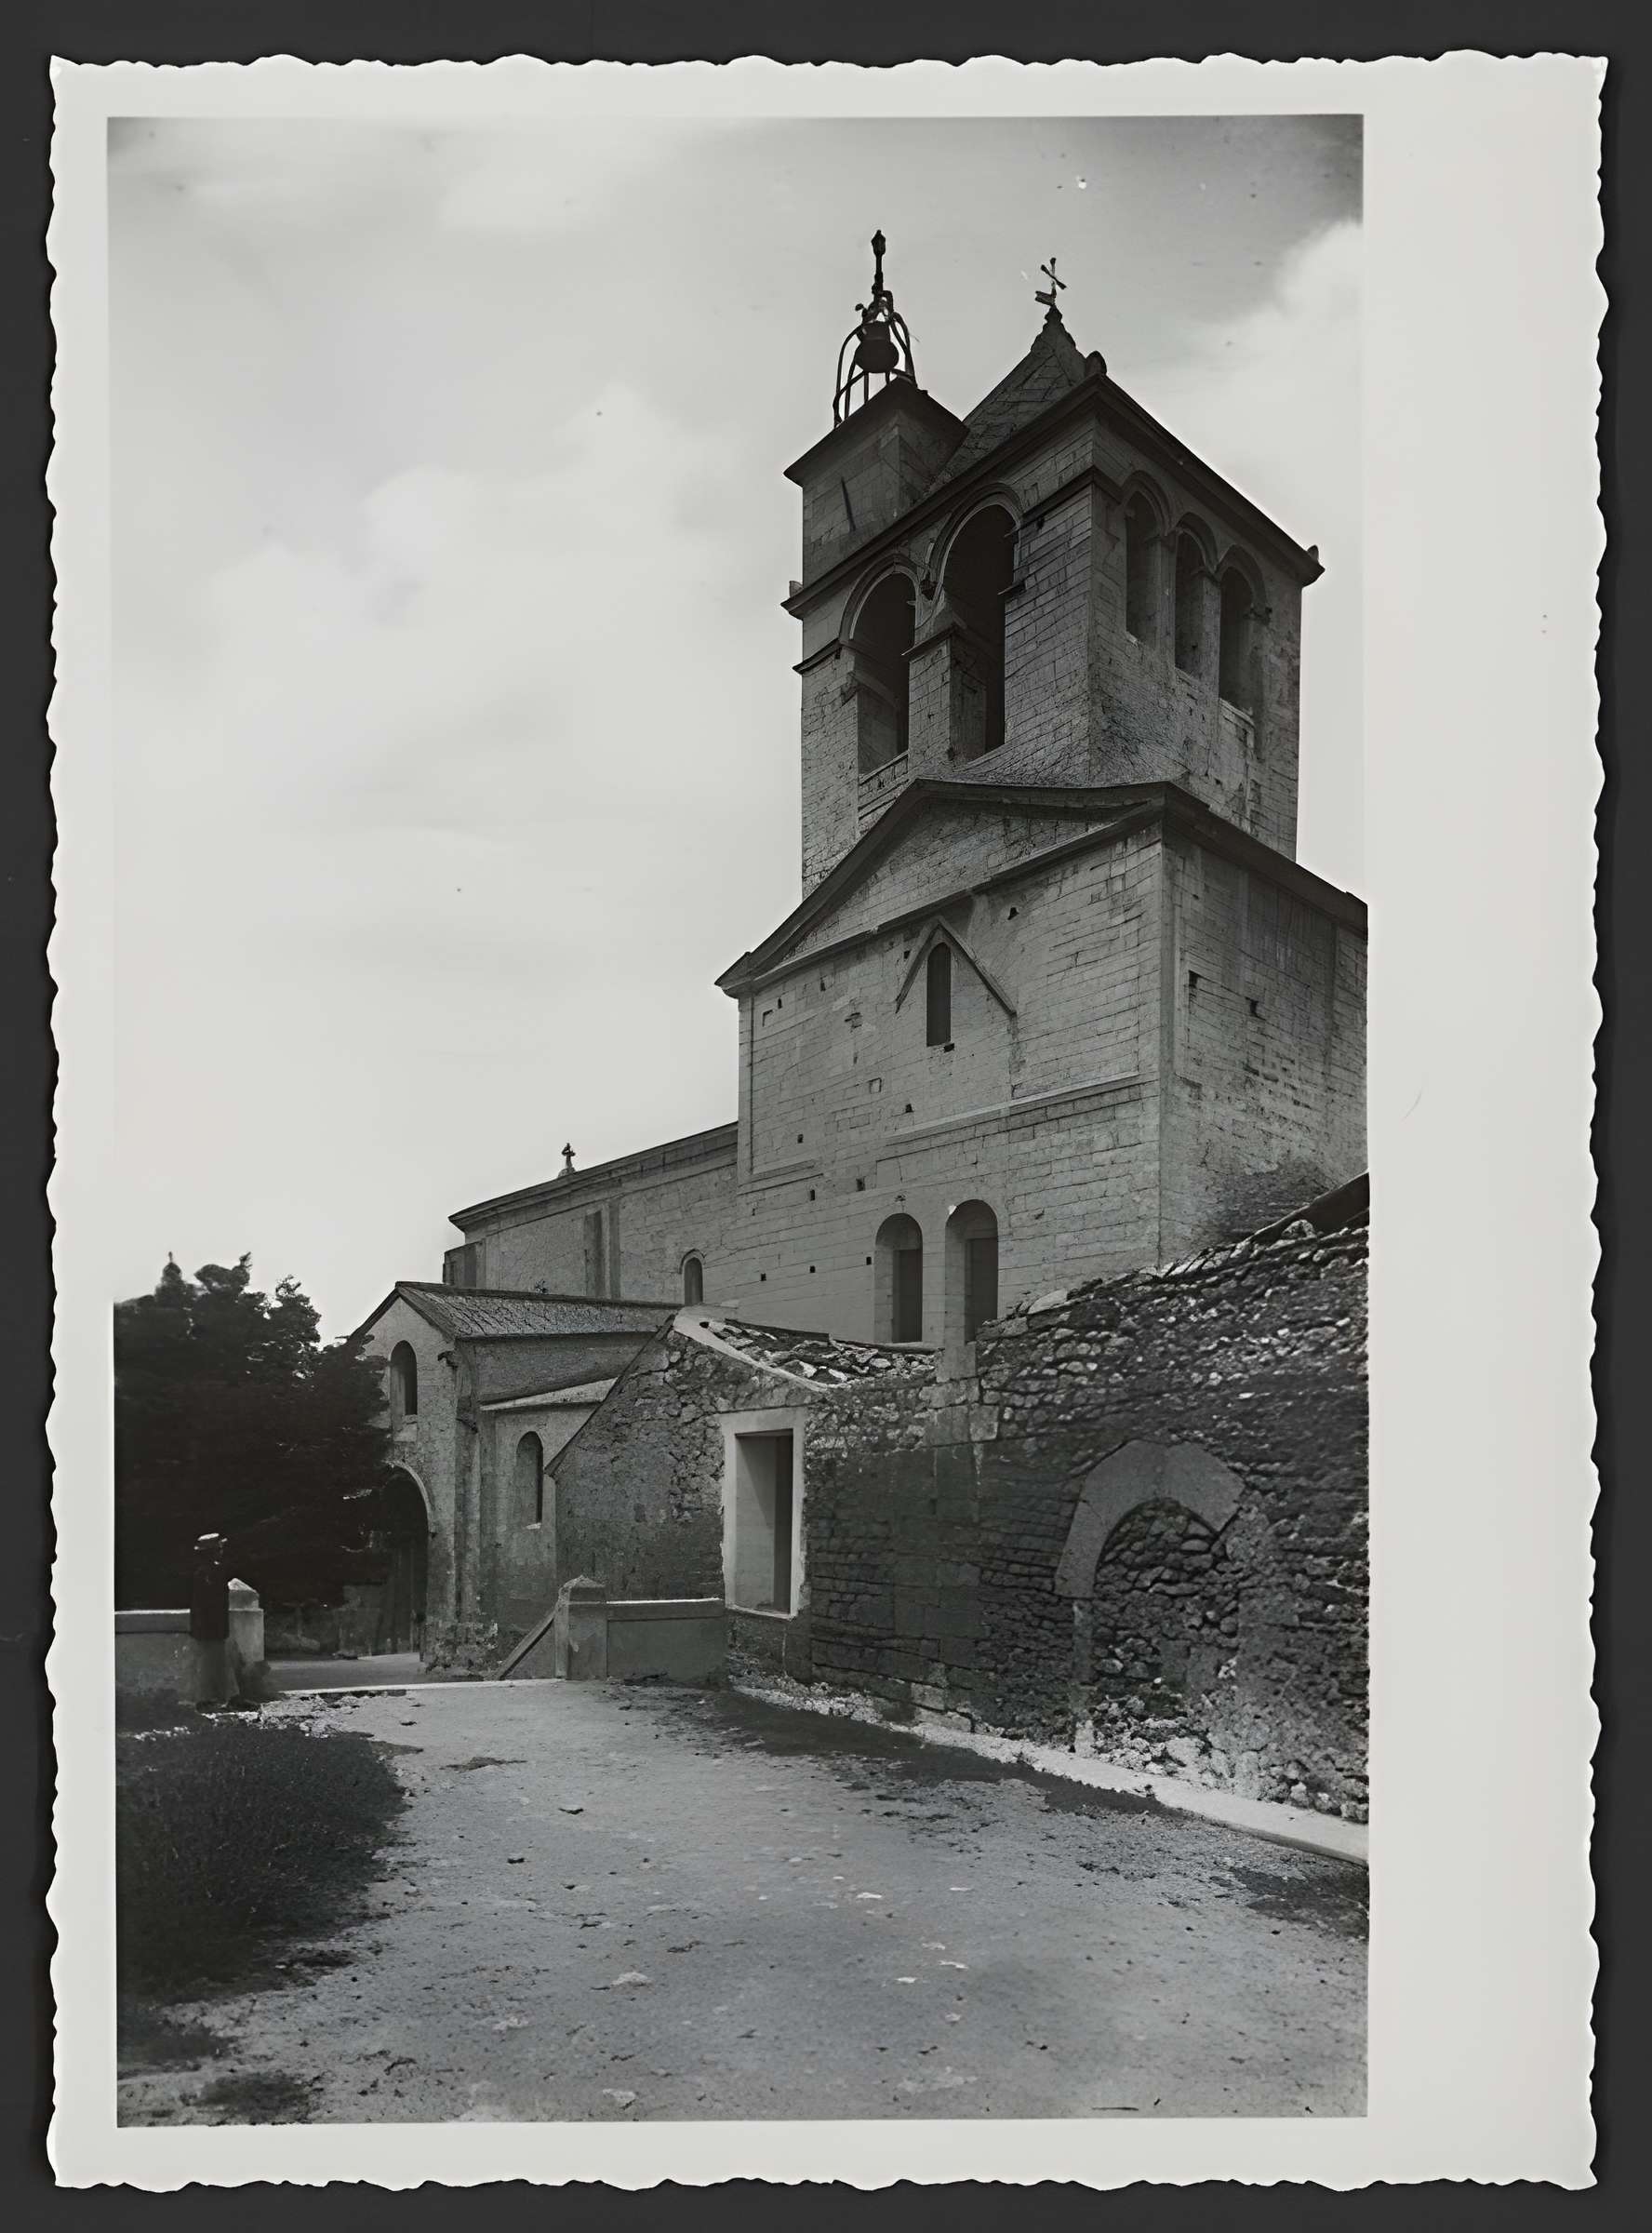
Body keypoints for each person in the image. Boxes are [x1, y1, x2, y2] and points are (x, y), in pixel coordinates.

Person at [188, 1532, 233, 1706]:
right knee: (209, 1663)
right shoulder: (207, 1573)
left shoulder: (209, 1571)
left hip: (212, 1625)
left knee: (215, 1661)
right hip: (209, 1625)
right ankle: (207, 1698)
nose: (221, 1552)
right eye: (218, 1549)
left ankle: (219, 1697)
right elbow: (206, 1604)